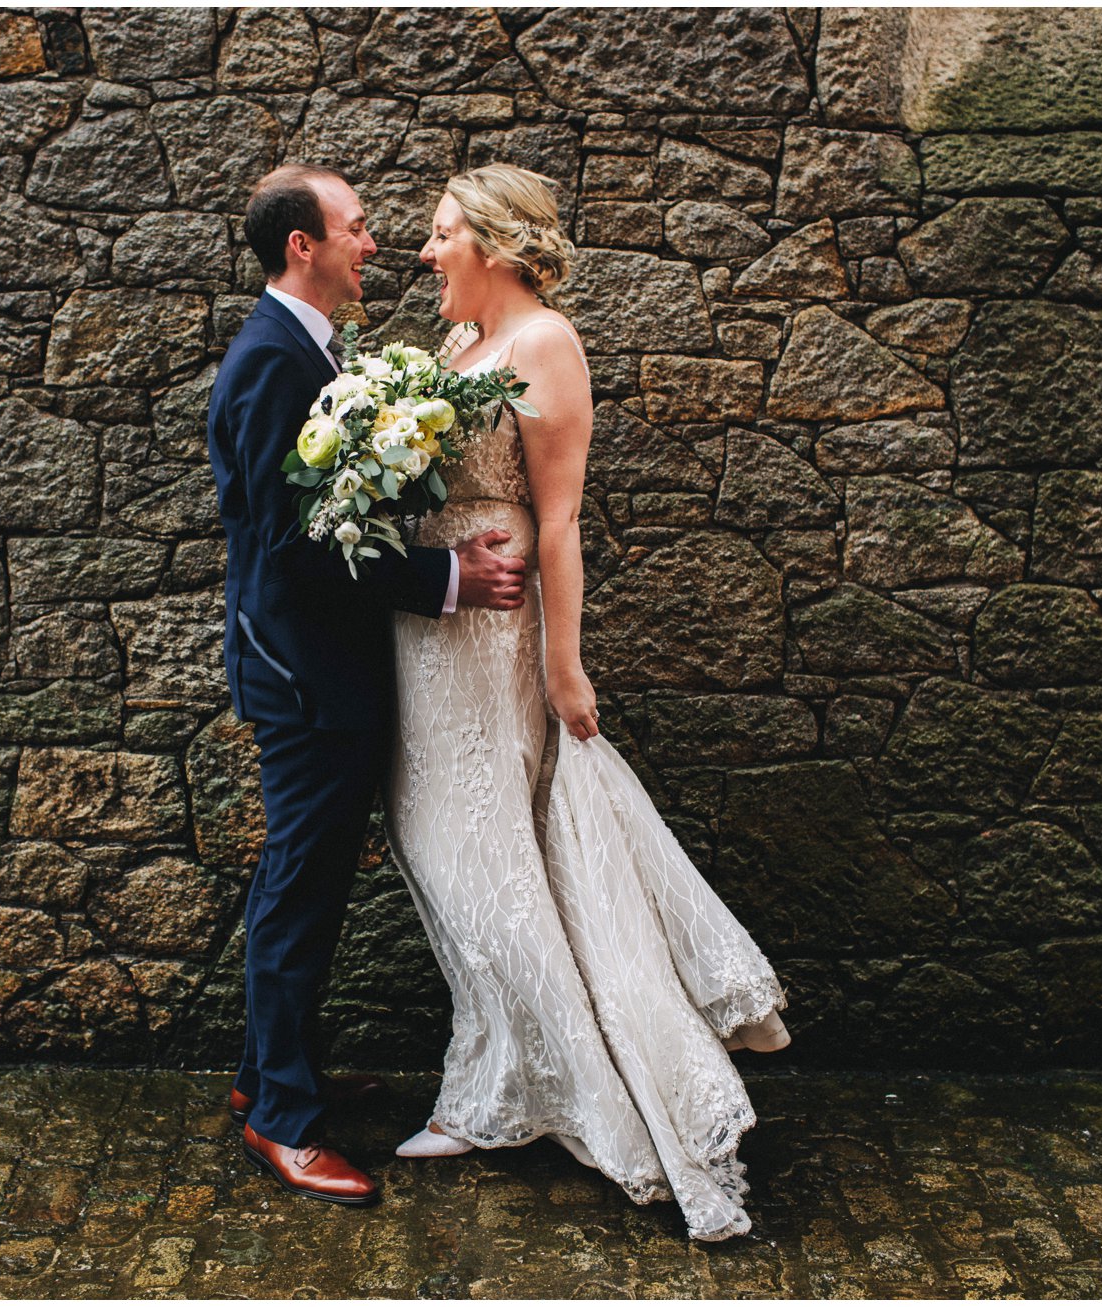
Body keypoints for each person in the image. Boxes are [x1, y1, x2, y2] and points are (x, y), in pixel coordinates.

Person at [384, 164, 794, 1242]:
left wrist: (565, 664)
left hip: (494, 635)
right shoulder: (452, 352)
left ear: (494, 242)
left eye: (438, 235)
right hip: (428, 632)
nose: (423, 254)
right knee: (445, 848)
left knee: (484, 851)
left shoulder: (543, 343)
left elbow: (557, 520)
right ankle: (498, 1081)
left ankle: (563, 1093)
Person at [205, 164, 530, 1206]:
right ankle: (286, 1125)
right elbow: (295, 548)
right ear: (303, 246)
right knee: (301, 890)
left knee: (301, 885)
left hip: (320, 667)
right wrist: (446, 576)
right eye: (354, 227)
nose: (372, 243)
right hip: (302, 674)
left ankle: (271, 1076)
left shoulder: (309, 353)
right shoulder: (269, 365)